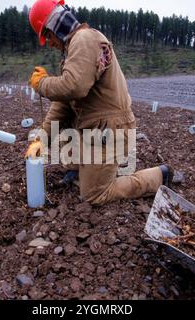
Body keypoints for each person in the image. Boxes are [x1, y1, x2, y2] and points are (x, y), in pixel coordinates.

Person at [25, 0, 173, 206]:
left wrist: (42, 84)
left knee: (94, 194)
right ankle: (84, 167)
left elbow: (74, 87)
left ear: (54, 27)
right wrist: (42, 138)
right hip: (99, 128)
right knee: (63, 141)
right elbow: (64, 103)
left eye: (47, 36)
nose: (48, 42)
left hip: (110, 130)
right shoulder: (76, 48)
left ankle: (158, 176)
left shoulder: (84, 40)